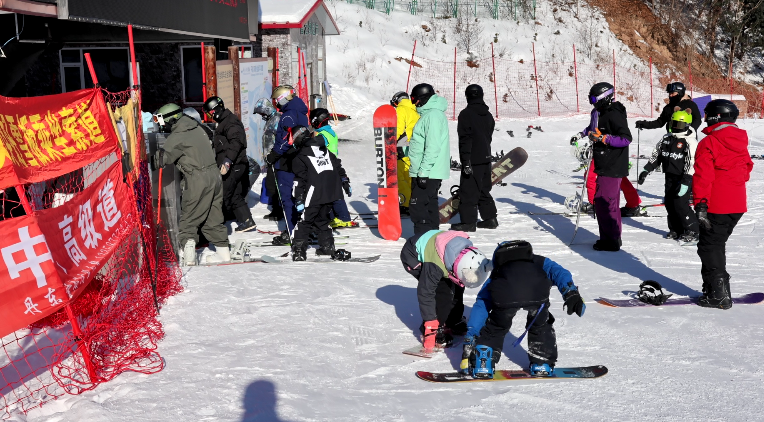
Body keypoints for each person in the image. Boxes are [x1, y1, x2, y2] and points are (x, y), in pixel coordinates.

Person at [461, 240, 585, 378]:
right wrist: (570, 292)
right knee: (540, 325)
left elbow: (482, 302)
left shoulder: (499, 271)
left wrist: (471, 335)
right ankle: (541, 362)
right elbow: (559, 272)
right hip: (536, 294)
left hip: (505, 294)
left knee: (495, 327)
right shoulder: (539, 261)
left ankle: (483, 363)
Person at [692, 99, 753, 309]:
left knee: (709, 246)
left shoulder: (709, 142)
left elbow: (703, 176)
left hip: (716, 204)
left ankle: (718, 294)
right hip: (737, 205)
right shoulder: (740, 140)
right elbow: (747, 169)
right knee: (716, 244)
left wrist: (700, 204)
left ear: (714, 116)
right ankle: (714, 289)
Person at [151, 103, 229, 265]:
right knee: (213, 217)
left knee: (189, 219)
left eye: (162, 120)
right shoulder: (197, 127)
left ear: (171, 119)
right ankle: (224, 254)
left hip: (197, 179)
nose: (161, 125)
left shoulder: (177, 135)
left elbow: (163, 159)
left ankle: (189, 257)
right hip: (214, 176)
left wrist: (150, 157)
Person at [400, 230, 492, 352]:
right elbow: (425, 293)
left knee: (458, 285)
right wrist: (430, 327)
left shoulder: (467, 255)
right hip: (412, 255)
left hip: (442, 250)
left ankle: (454, 320)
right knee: (443, 292)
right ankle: (436, 327)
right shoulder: (435, 267)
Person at [574, 82, 633, 252]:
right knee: (607, 202)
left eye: (594, 99)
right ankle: (612, 238)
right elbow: (593, 129)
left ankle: (611, 241)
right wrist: (582, 134)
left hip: (612, 164)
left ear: (604, 97)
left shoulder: (614, 114)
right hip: (604, 161)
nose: (592, 103)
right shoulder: (601, 112)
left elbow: (626, 138)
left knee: (605, 202)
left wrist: (603, 139)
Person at [290, 126, 352, 261]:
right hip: (331, 193)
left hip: (313, 194)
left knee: (304, 221)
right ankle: (327, 247)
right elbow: (338, 166)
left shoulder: (301, 156)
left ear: (298, 138)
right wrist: (345, 181)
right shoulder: (324, 149)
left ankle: (299, 251)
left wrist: (299, 198)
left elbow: (299, 180)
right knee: (322, 220)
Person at [638, 108, 699, 243]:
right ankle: (676, 229)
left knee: (680, 204)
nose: (676, 127)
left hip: (683, 177)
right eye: (674, 124)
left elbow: (691, 162)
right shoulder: (666, 138)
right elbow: (657, 156)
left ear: (687, 125)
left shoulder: (690, 142)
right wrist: (646, 170)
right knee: (670, 204)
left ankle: (693, 230)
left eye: (679, 124)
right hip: (669, 176)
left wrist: (686, 180)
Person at [203, 96, 257, 233]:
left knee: (222, 194)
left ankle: (216, 225)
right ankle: (247, 221)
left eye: (210, 113)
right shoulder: (225, 121)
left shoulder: (230, 122)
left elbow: (236, 142)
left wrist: (227, 161)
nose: (210, 116)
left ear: (216, 110)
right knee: (235, 195)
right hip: (236, 165)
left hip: (234, 165)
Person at [266, 85, 310, 246]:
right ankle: (303, 228)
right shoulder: (301, 112)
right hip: (300, 160)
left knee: (287, 198)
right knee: (299, 195)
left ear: (283, 99)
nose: (276, 104)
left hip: (286, 161)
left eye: (277, 101)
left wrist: (274, 154)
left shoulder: (288, 116)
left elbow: (286, 139)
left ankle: (293, 232)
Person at [450, 84, 498, 232]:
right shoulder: (488, 115)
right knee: (483, 189)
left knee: (468, 191)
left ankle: (468, 222)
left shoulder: (466, 114)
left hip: (472, 159)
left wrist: (466, 161)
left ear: (467, 96)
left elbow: (465, 139)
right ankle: (490, 218)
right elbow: (489, 136)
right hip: (486, 157)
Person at [408, 83, 451, 235]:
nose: (414, 103)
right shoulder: (430, 115)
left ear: (423, 98)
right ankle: (432, 238)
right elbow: (422, 144)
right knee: (429, 205)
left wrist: (423, 172)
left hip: (427, 172)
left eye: (414, 99)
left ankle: (423, 239)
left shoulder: (432, 116)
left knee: (418, 206)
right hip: (427, 170)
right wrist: (404, 151)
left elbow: (433, 146)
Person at [309, 108, 357, 229]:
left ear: (317, 121)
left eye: (312, 121)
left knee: (333, 195)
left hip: (327, 166)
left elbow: (313, 146)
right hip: (332, 165)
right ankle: (334, 216)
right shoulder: (330, 132)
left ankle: (343, 218)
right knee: (331, 193)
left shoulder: (323, 135)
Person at [253, 98, 283, 222]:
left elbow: (280, 139)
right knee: (271, 184)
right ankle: (276, 209)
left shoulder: (277, 119)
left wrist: (274, 155)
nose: (261, 115)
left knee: (275, 184)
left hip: (276, 158)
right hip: (270, 158)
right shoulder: (270, 119)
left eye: (261, 112)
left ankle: (279, 210)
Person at [391, 91, 419, 215]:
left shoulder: (401, 110)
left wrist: (389, 143)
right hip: (414, 147)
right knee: (409, 176)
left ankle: (406, 203)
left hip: (402, 146)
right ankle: (414, 202)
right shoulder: (415, 110)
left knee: (399, 176)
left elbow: (397, 129)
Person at [635, 82, 701, 133]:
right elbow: (659, 123)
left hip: (688, 137)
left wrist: (690, 131)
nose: (670, 95)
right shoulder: (668, 107)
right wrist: (644, 124)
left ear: (680, 92)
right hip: (672, 137)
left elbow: (697, 119)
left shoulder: (690, 104)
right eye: (669, 93)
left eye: (672, 93)